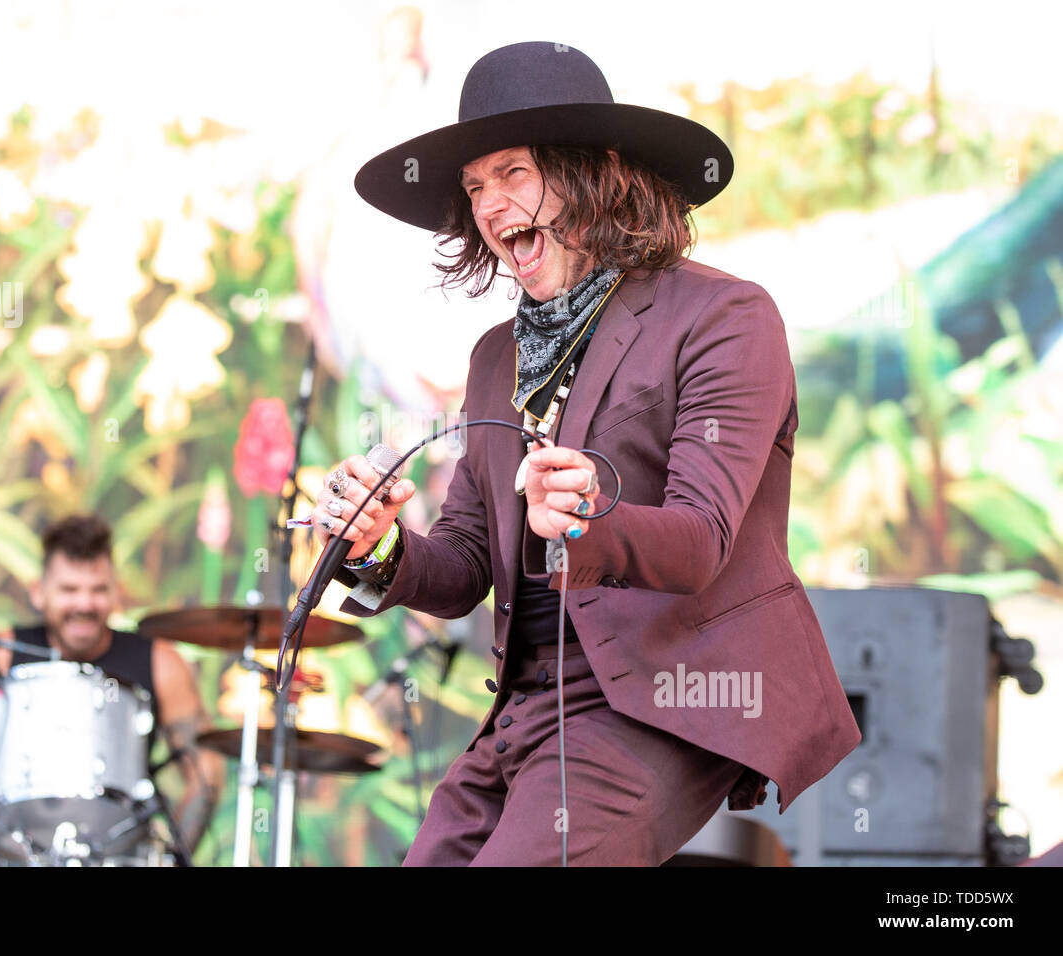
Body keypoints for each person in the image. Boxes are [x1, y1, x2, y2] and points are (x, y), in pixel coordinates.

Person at [312, 41, 861, 865]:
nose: (492, 207)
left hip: (660, 696)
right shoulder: (496, 358)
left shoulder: (724, 316)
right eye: (474, 187)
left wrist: (585, 520)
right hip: (525, 711)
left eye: (514, 174)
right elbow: (465, 564)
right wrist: (379, 545)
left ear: (595, 172)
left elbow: (702, 537)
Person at [0, 514, 224, 860]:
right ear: (39, 593)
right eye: (69, 590)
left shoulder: (159, 661)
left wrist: (171, 859)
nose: (84, 604)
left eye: (98, 590)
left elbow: (206, 770)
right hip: (5, 853)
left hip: (118, 852)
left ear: (116, 592)